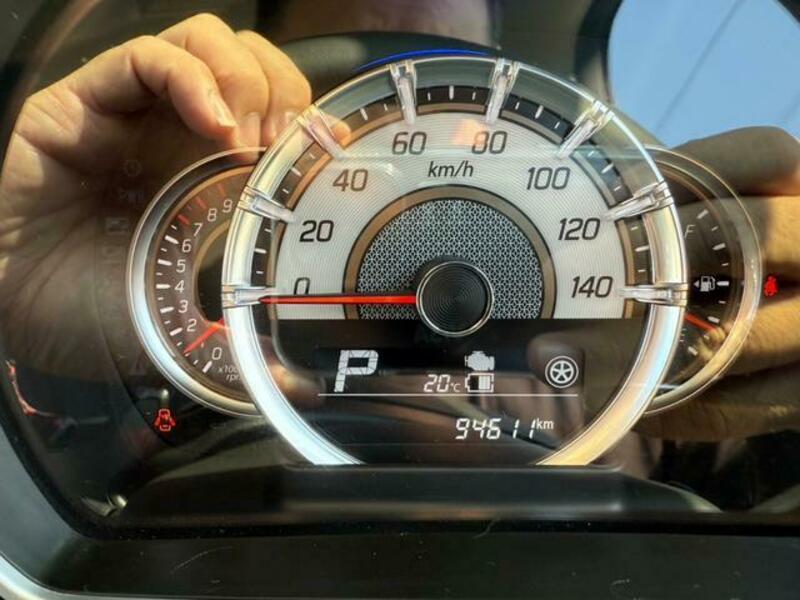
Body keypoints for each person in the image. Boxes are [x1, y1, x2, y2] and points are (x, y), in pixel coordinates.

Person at [0, 11, 799, 455]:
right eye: (356, 115)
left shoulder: (672, 391)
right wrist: (18, 264)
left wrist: (708, 330)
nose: (413, 173)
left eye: (465, 116)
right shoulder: (113, 396)